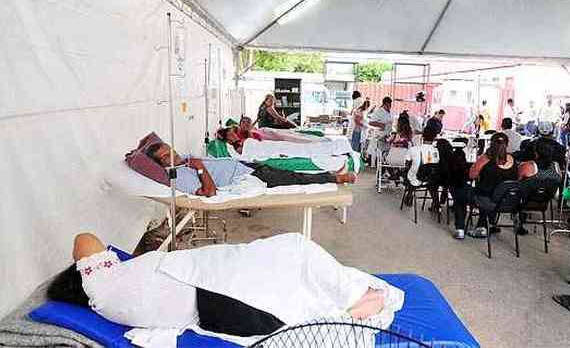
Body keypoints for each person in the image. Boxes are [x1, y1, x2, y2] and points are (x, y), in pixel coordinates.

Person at [47, 232, 402, 341]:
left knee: (289, 283)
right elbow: (84, 239)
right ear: (81, 277)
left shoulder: (111, 298)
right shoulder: (102, 286)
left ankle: (349, 301)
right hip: (212, 286)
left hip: (223, 313)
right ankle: (351, 299)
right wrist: (88, 266)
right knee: (295, 248)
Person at [145, 142, 355, 197]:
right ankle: (335, 179)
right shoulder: (179, 175)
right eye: (165, 157)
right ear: (161, 164)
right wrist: (200, 169)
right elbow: (209, 192)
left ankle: (330, 176)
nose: (171, 155)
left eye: (169, 150)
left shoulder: (187, 158)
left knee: (290, 174)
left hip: (245, 166)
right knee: (295, 179)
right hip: (244, 177)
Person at [452, 133, 518, 239]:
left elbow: (471, 175)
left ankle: (460, 229)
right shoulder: (513, 160)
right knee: (490, 194)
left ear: (491, 144)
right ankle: (483, 226)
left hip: (486, 200)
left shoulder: (486, 159)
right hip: (505, 202)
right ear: (507, 144)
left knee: (460, 193)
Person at [516, 138, 561, 234]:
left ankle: (519, 219)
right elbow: (559, 179)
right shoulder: (556, 166)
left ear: (536, 153)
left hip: (524, 202)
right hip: (544, 202)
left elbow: (517, 182)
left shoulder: (528, 166)